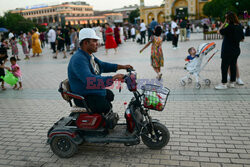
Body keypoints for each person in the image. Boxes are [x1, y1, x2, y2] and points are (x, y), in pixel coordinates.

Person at [68, 28, 133, 114]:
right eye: (94, 41)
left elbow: (102, 65)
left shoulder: (88, 55)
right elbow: (89, 80)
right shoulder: (79, 59)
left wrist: (122, 67)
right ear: (85, 43)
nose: (97, 44)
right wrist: (113, 78)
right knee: (106, 106)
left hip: (89, 91)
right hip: (83, 95)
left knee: (110, 95)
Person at [215, 12, 244, 90]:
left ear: (229, 19)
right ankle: (232, 82)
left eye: (226, 18)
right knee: (233, 66)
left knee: (224, 67)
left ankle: (223, 84)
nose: (226, 19)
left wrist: (224, 23)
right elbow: (242, 39)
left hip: (227, 50)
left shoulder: (229, 27)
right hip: (236, 50)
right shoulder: (239, 26)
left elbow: (219, 31)